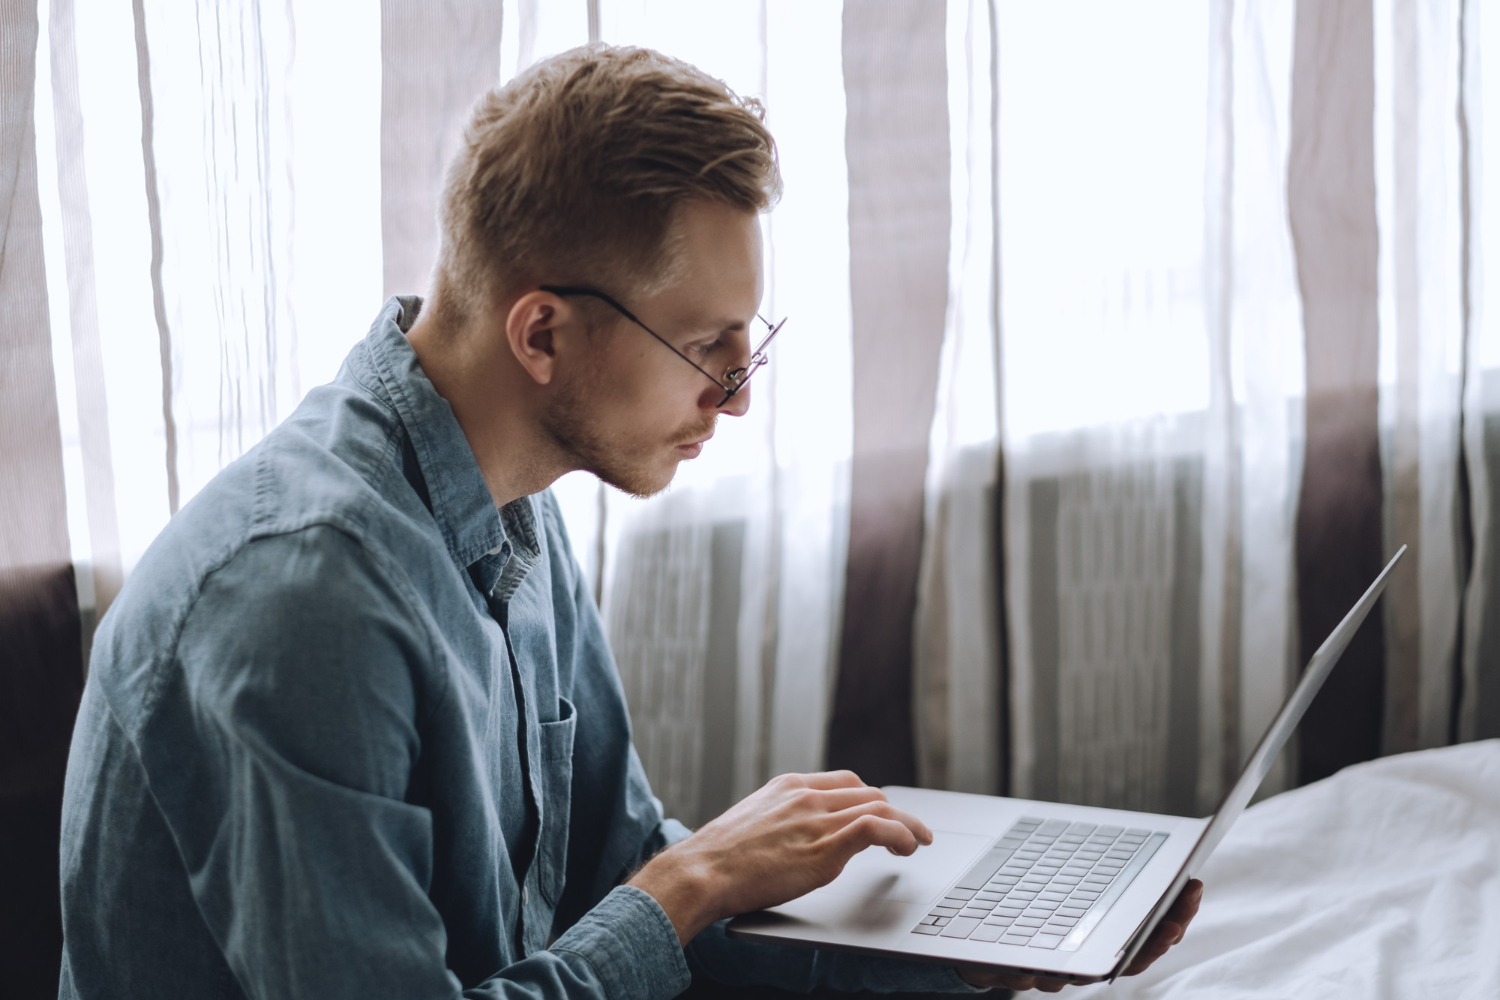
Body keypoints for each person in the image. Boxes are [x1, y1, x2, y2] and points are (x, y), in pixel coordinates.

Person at [57, 44, 1198, 999]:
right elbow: (655, 902)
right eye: (706, 345)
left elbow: (621, 897)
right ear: (542, 334)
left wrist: (970, 963)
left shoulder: (507, 500)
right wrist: (692, 879)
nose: (740, 392)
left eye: (753, 339)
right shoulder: (300, 605)